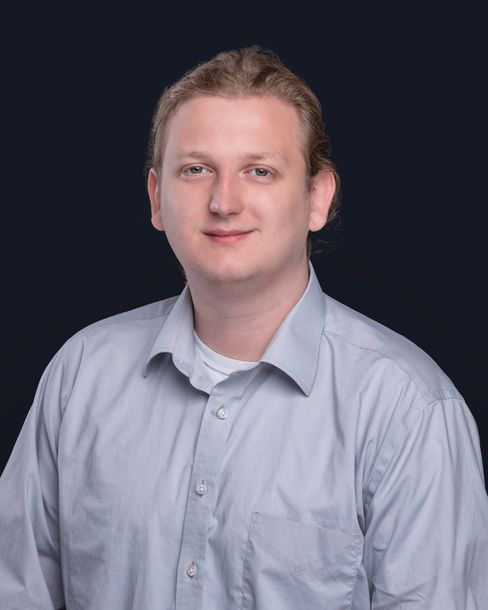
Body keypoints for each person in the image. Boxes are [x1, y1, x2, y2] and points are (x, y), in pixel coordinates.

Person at [0, 45, 487, 610]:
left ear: (317, 197)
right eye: (196, 170)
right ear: (157, 199)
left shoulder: (408, 410)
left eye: (259, 171)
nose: (224, 201)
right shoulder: (81, 375)